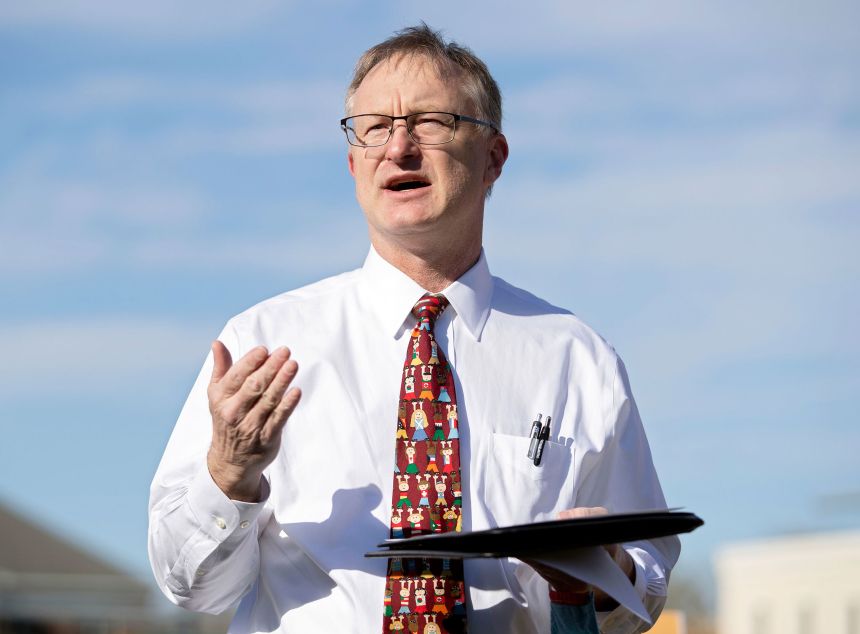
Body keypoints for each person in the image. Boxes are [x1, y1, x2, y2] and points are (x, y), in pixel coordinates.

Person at [148, 24, 679, 634]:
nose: (398, 148)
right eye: (375, 128)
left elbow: (645, 578)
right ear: (353, 165)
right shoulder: (261, 346)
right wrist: (229, 476)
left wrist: (609, 578)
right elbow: (191, 588)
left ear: (493, 159)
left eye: (430, 122)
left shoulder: (578, 359)